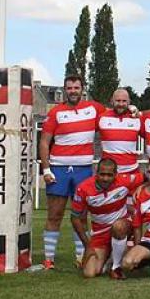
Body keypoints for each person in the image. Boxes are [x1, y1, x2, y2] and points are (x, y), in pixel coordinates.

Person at [38, 74, 105, 269]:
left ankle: (80, 257)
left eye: (76, 88)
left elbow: (115, 114)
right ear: (65, 90)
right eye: (69, 88)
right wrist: (46, 169)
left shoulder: (94, 108)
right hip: (58, 169)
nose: (73, 91)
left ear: (82, 89)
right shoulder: (56, 112)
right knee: (54, 215)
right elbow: (44, 142)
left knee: (82, 216)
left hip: (83, 169)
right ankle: (49, 260)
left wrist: (133, 110)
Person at [70, 158, 144, 280]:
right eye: (102, 174)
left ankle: (116, 267)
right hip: (100, 233)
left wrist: (143, 186)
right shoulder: (83, 188)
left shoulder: (124, 180)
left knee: (118, 227)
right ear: (96, 172)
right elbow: (75, 218)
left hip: (122, 226)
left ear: (115, 174)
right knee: (90, 273)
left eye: (109, 175)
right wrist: (87, 246)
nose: (105, 178)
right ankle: (110, 257)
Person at [97, 88, 142, 176]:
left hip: (132, 171)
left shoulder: (137, 118)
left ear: (129, 102)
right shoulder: (102, 117)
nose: (121, 104)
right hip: (108, 173)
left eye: (124, 101)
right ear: (111, 101)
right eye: (118, 101)